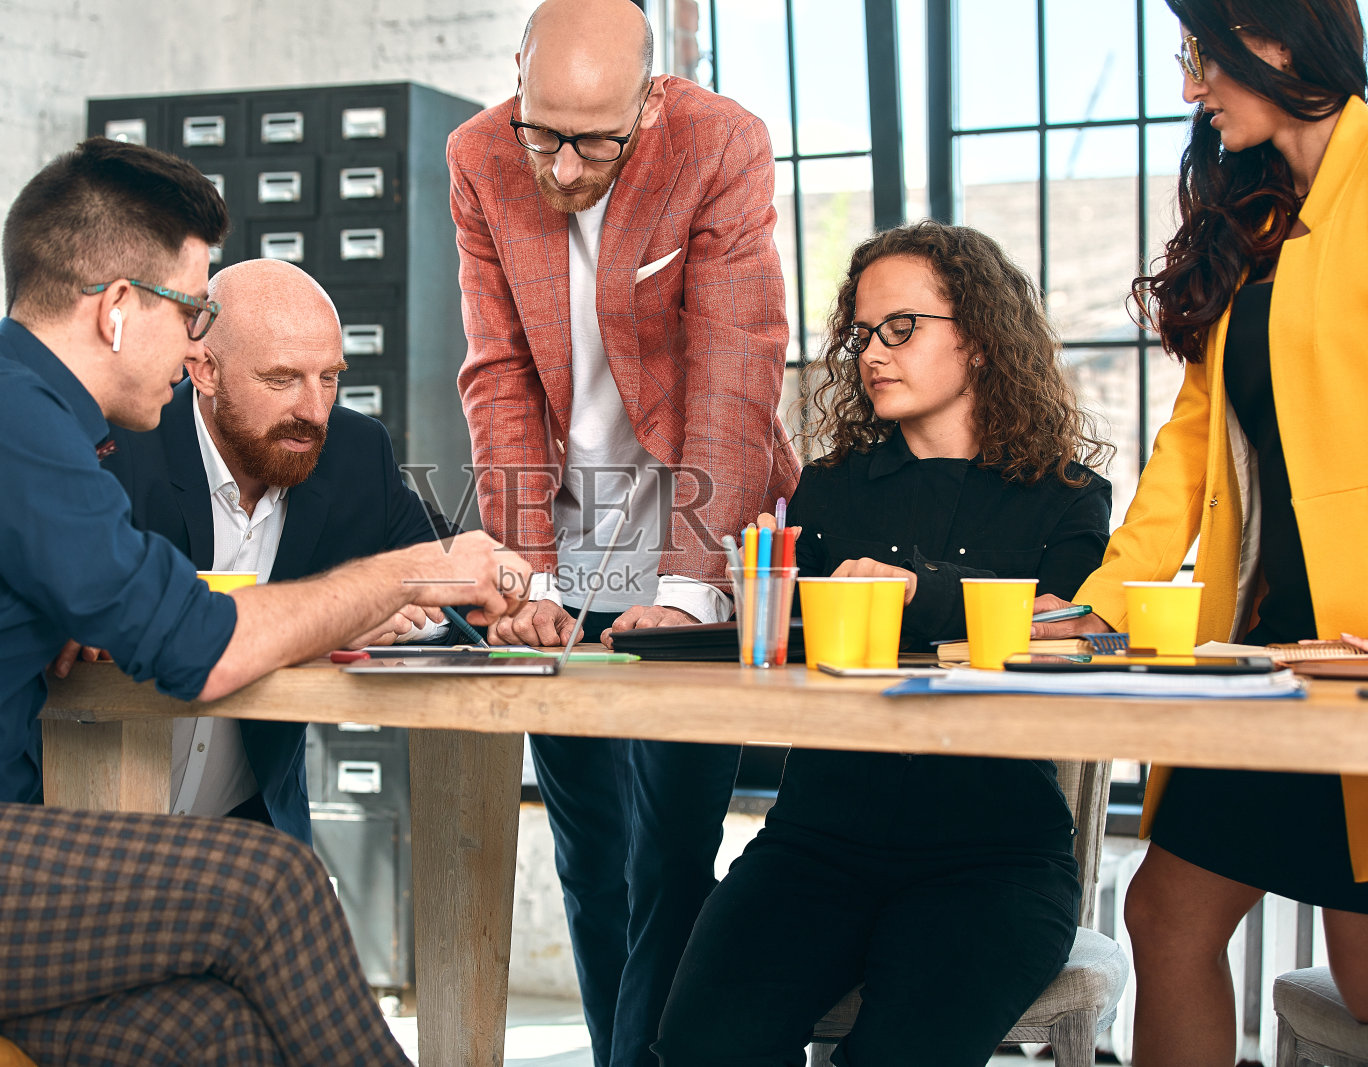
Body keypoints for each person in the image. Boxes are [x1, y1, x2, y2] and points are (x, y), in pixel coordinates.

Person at [0, 137, 528, 1066]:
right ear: (120, 309)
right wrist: (416, 571)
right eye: (194, 309)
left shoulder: (26, 414)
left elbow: (142, 603)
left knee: (219, 1035)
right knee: (273, 884)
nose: (197, 340)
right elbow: (196, 645)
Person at [654, 221, 1113, 1067]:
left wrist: (918, 590)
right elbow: (797, 648)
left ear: (978, 338)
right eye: (862, 333)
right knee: (697, 1047)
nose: (872, 352)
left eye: (900, 328)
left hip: (994, 857)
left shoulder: (1068, 498)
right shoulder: (827, 490)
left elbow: (1064, 629)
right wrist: (714, 617)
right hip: (817, 843)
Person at [448, 1, 800, 1062]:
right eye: (539, 130)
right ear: (515, 78)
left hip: (690, 533)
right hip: (560, 539)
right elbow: (499, 372)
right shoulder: (479, 153)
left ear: (649, 100)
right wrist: (526, 577)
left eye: (591, 142)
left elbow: (736, 372)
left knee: (672, 849)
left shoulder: (718, 142)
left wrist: (689, 589)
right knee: (588, 847)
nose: (558, 167)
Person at [1032, 3, 1368, 1061]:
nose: (1189, 89)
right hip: (1275, 655)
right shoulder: (1263, 220)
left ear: (1270, 40)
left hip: (1360, 664)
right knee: (1167, 914)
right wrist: (1095, 606)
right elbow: (1187, 453)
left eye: (1197, 58)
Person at [98, 258, 461, 845]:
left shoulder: (353, 451)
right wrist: (332, 614)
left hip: (249, 833)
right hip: (84, 822)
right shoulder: (122, 446)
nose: (315, 411)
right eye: (282, 379)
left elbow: (448, 569)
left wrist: (507, 593)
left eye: (329, 377)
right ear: (203, 370)